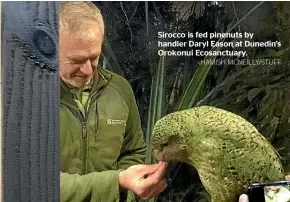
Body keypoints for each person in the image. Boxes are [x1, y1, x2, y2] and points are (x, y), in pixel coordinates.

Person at [59, 2, 167, 202]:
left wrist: (133, 180)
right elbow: (37, 181)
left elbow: (133, 150)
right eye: (76, 60)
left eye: (94, 57)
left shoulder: (119, 89)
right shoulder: (31, 100)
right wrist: (117, 181)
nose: (88, 71)